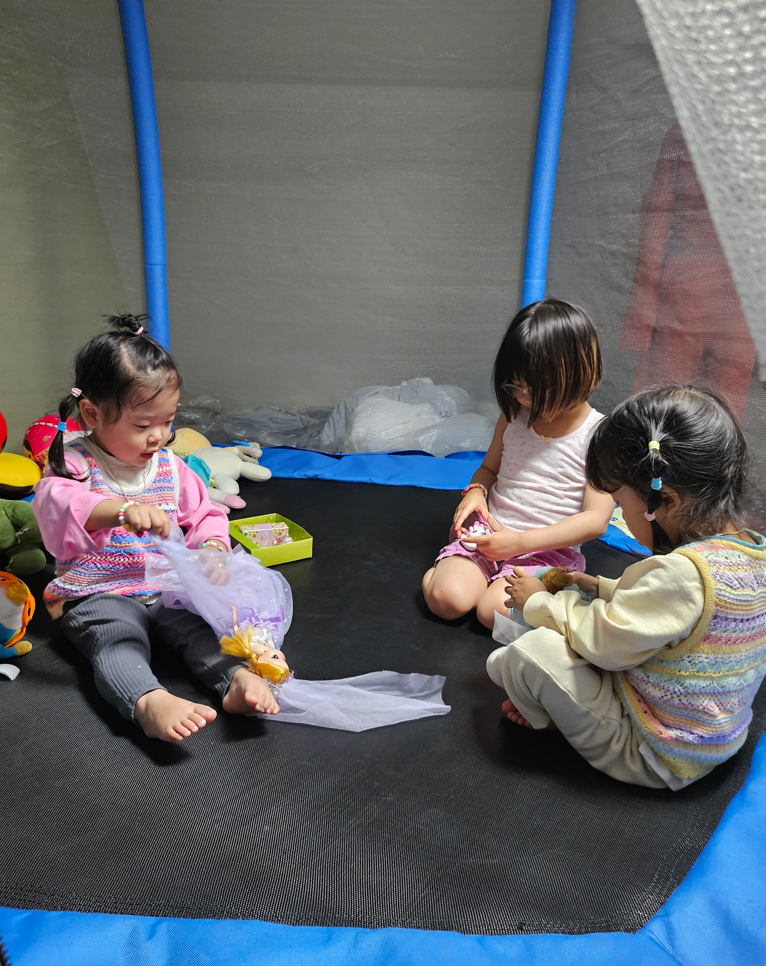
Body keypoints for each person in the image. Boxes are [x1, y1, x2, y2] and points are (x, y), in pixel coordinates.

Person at [491, 386, 766, 789]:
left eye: (620, 504)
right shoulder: (751, 551)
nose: (620, 514)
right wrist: (598, 586)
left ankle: (546, 717)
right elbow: (670, 613)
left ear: (665, 501)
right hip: (716, 738)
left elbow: (604, 643)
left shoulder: (684, 574)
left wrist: (539, 602)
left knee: (529, 654)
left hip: (654, 752)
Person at [34, 314, 280, 743]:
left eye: (168, 422)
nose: (159, 437)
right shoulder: (74, 463)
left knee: (202, 632)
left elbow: (204, 514)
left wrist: (213, 549)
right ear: (92, 413)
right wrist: (118, 510)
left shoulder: (170, 466)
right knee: (118, 640)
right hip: (99, 591)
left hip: (166, 589)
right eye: (143, 425)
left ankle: (235, 681)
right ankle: (147, 700)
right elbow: (57, 502)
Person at [422, 298, 614, 629]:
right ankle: (450, 571)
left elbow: (595, 521)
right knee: (447, 600)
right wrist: (476, 491)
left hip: (544, 552)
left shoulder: (599, 435)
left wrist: (520, 542)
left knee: (492, 613)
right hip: (488, 537)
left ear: (577, 373)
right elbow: (489, 470)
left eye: (533, 389)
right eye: (514, 386)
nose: (522, 398)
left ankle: (561, 595)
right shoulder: (514, 415)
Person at [619, 123, 756, 423]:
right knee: (725, 408)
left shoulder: (688, 129)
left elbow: (656, 213)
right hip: (743, 290)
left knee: (663, 398)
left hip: (695, 282)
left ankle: (653, 450)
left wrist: (642, 311)